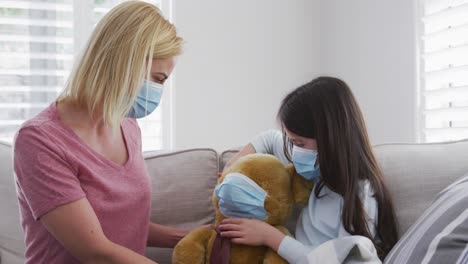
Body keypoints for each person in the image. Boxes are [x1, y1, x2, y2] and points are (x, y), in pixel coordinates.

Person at [13, 1, 187, 263]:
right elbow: (94, 250)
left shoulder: (127, 125)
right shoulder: (39, 140)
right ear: (122, 62)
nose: (157, 91)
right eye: (157, 78)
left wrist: (190, 238)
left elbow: (121, 226)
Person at [219, 77, 399, 263]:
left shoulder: (360, 194)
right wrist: (230, 170)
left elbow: (339, 259)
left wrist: (269, 237)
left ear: (330, 138)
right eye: (292, 142)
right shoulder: (318, 169)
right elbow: (269, 139)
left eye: (299, 143)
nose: (295, 152)